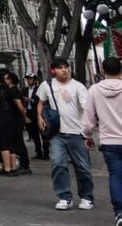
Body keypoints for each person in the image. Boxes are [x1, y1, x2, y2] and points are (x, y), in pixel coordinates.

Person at [37, 57, 94, 211]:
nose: (64, 70)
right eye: (60, 67)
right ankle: (64, 197)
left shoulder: (78, 87)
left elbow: (87, 108)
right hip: (57, 134)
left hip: (77, 132)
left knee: (82, 167)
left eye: (66, 67)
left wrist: (88, 131)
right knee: (58, 164)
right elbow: (41, 102)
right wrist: (39, 117)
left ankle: (86, 197)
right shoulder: (46, 85)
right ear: (53, 70)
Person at [83, 55, 122, 226]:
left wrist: (88, 135)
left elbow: (88, 117)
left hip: (109, 141)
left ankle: (119, 213)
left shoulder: (94, 90)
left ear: (103, 71)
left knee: (115, 176)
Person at [2, 72, 32, 174]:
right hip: (12, 119)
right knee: (15, 142)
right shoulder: (10, 90)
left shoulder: (13, 90)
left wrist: (25, 117)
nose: (4, 80)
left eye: (6, 78)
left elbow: (19, 106)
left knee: (19, 142)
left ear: (10, 80)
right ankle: (21, 164)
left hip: (15, 119)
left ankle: (25, 165)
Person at [26, 74, 46, 159]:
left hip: (39, 113)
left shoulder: (39, 89)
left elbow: (41, 100)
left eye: (30, 79)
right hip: (30, 113)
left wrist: (31, 100)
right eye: (28, 79)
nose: (29, 81)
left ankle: (46, 152)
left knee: (44, 134)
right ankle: (38, 152)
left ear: (35, 80)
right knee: (34, 135)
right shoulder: (25, 89)